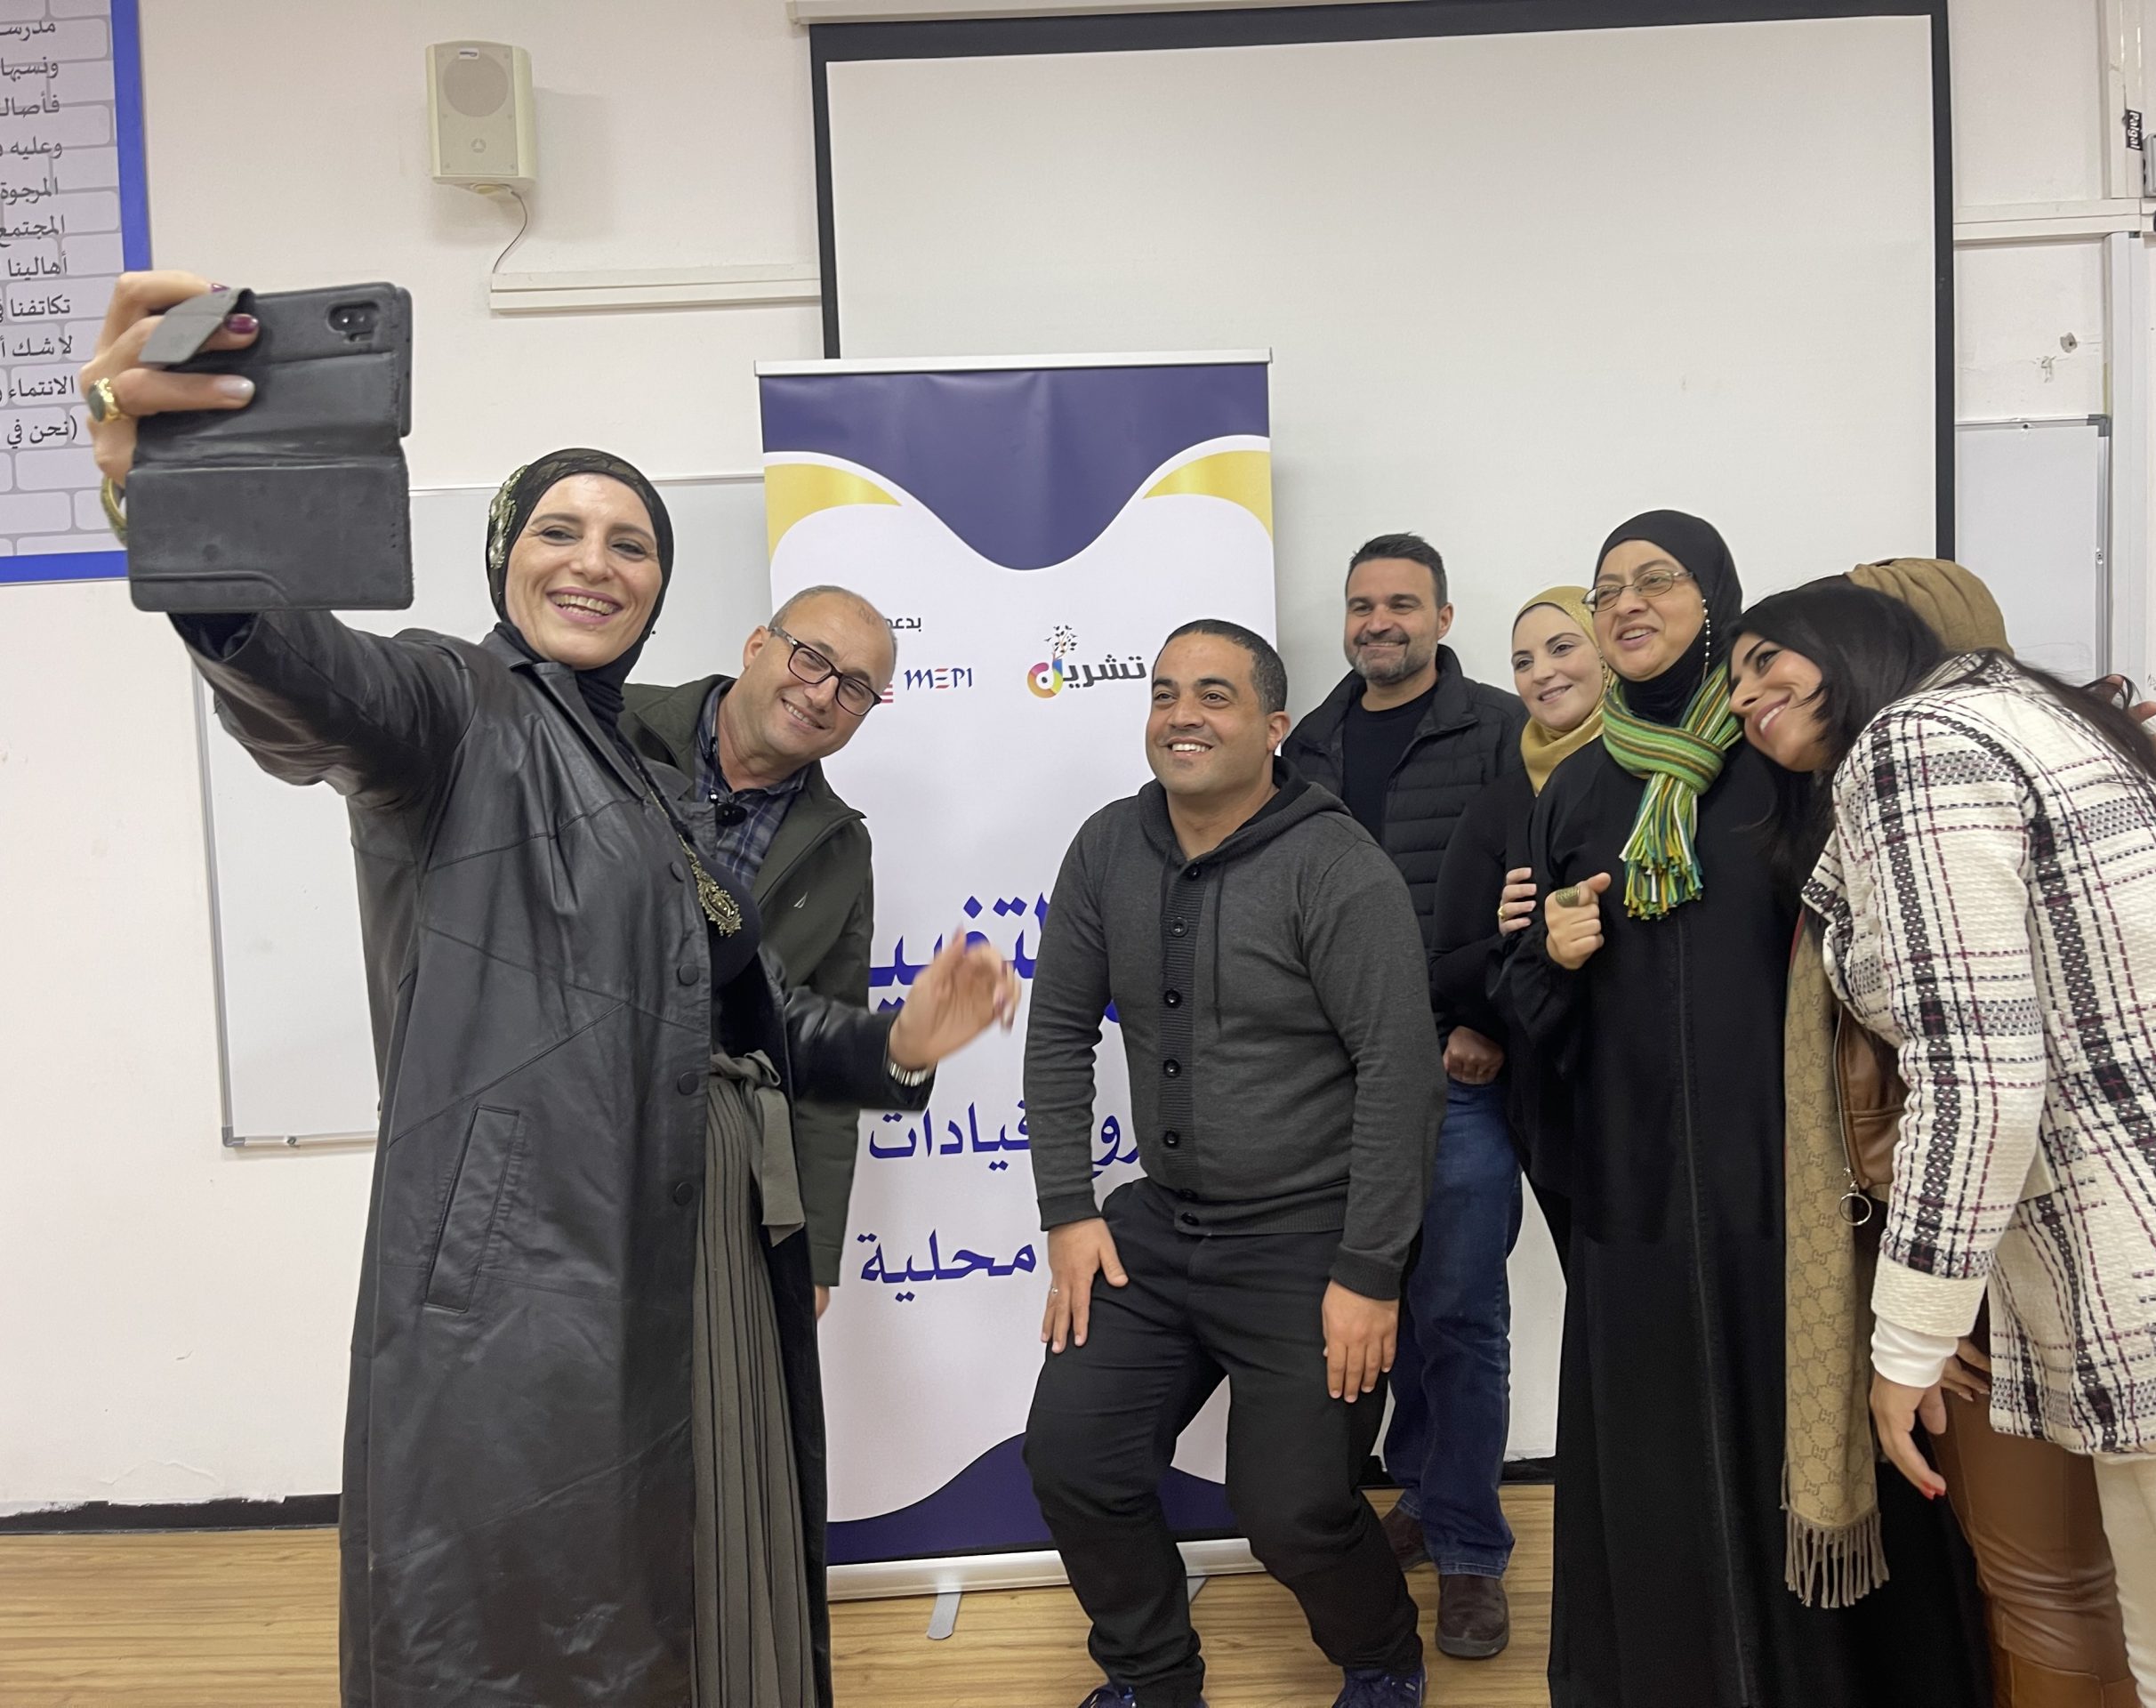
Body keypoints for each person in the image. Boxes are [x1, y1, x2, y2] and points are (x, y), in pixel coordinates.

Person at [79, 270, 1020, 1708]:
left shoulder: (640, 781)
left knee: (662, 1588)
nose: (596, 562)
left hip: (671, 1225)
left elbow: (750, 1009)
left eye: (631, 542)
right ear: (504, 557)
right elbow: (304, 672)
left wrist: (901, 1039)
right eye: (560, 531)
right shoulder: (459, 708)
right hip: (530, 1270)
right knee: (535, 1627)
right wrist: (176, 511)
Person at [1730, 577, 2156, 1708]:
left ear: (1857, 643)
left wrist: (1905, 1344)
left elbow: (1977, 1074)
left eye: (1765, 659)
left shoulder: (1915, 746)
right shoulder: (2060, 727)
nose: (1742, 696)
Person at [1496, 512, 1984, 1708]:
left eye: (1655, 579)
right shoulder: (1579, 788)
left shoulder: (1791, 759)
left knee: (1798, 1442)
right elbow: (1528, 1013)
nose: (1626, 603)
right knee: (1658, 1468)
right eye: (1607, 588)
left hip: (1792, 1192)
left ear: (1715, 601)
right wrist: (1551, 956)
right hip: (1638, 1197)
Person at [1022, 619, 1444, 1708]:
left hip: (1310, 1237)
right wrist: (1068, 1208)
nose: (1182, 716)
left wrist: (1369, 1272)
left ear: (1273, 726)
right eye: (1164, 693)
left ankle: (1382, 1659)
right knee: (1073, 1458)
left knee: (1293, 1511)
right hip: (1157, 1228)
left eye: (1214, 695)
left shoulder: (1334, 865)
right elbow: (1058, 1028)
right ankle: (1152, 1678)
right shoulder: (1106, 847)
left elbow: (1400, 1072)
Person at [1767, 560, 2141, 1707]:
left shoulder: (1921, 777)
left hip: (2007, 1254)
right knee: (2085, 1585)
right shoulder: (2076, 763)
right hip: (2034, 1247)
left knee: (2047, 1584)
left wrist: (1931, 1311)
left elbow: (1969, 1077)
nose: (1753, 696)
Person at [1283, 533, 1529, 1657]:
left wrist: (1487, 1021)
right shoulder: (1310, 744)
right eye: (1361, 605)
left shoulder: (1500, 731)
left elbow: (1532, 890)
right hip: (1336, 1084)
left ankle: (1472, 1550)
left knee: (1461, 1315)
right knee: (1387, 1302)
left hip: (1453, 1073)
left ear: (1441, 616)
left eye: (1401, 603)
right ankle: (1425, 1497)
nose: (1378, 622)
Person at [625, 585, 898, 1317]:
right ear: (757, 647)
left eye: (855, 689)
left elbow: (829, 1066)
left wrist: (815, 1253)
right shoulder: (613, 725)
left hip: (719, 1163)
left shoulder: (841, 848)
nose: (823, 695)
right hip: (569, 1128)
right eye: (812, 659)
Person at [1433, 584, 1611, 1272]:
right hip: (1559, 1102)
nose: (1543, 673)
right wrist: (1516, 939)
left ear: (1606, 653)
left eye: (1562, 648)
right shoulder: (1503, 804)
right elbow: (1451, 968)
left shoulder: (1671, 776)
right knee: (1595, 1295)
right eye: (1523, 661)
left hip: (1673, 1087)